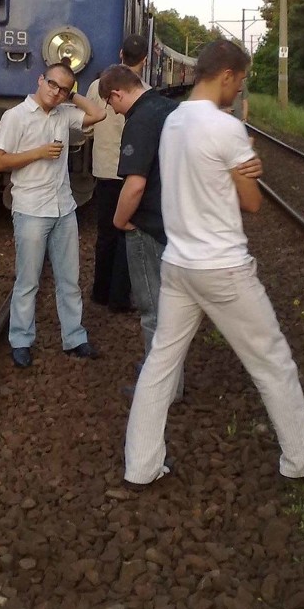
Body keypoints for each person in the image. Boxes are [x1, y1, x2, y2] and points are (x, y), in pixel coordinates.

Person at [123, 40, 304, 489]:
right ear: (226, 75)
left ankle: (141, 465)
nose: (240, 89)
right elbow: (252, 204)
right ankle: (302, 460)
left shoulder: (173, 118)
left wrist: (236, 168)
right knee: (273, 361)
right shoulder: (225, 128)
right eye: (240, 81)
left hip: (178, 262)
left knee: (161, 362)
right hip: (222, 268)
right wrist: (249, 169)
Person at [0, 63, 106, 367]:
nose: (56, 93)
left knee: (69, 279)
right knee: (28, 281)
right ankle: (21, 340)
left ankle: (75, 338)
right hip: (30, 208)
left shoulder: (64, 113)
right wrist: (37, 153)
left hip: (64, 207)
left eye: (63, 89)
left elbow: (99, 114)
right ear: (40, 80)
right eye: (52, 85)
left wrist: (75, 96)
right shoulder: (15, 116)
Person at [97, 64, 180, 396]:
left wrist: (119, 222)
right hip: (175, 220)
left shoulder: (140, 120)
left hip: (149, 224)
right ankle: (159, 369)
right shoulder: (168, 107)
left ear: (118, 93)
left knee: (153, 310)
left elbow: (134, 185)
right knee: (170, 307)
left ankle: (160, 388)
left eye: (110, 102)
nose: (112, 110)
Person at [85, 34, 149, 311]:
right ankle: (119, 297)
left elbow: (86, 127)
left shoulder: (97, 86)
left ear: (121, 53)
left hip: (104, 168)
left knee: (106, 233)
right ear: (144, 60)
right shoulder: (145, 91)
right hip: (130, 173)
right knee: (128, 233)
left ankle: (99, 291)